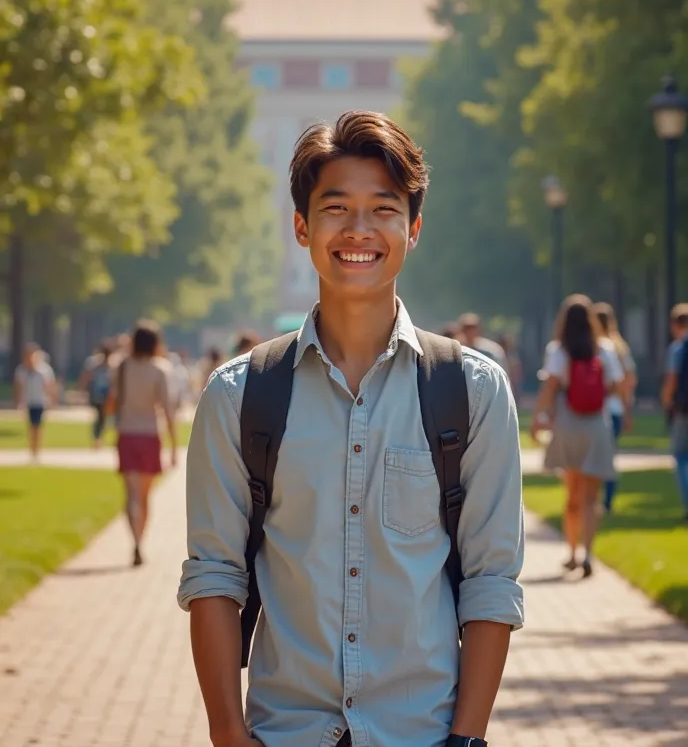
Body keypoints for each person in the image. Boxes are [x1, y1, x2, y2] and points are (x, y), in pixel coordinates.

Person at [179, 110, 524, 747]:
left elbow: (491, 581)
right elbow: (214, 575)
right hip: (286, 732)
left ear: (413, 228)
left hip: (423, 732)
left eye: (384, 209)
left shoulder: (472, 391)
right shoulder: (239, 395)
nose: (359, 230)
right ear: (302, 227)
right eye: (335, 208)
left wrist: (467, 739)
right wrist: (227, 733)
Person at [532, 295, 623, 577]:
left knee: (572, 493)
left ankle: (571, 552)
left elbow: (550, 386)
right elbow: (617, 385)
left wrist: (538, 417)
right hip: (596, 424)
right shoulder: (604, 349)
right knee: (591, 497)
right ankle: (588, 555)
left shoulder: (559, 350)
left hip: (568, 422)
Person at [105, 319, 177, 567]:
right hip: (149, 435)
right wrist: (175, 446)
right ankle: (140, 541)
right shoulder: (160, 369)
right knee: (145, 497)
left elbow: (112, 401)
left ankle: (133, 540)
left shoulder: (121, 366)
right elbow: (167, 410)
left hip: (126, 433)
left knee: (130, 494)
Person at [594, 303, 637, 513]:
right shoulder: (620, 347)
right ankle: (607, 501)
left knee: (593, 458)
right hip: (616, 408)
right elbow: (628, 381)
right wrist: (628, 411)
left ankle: (594, 500)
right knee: (609, 457)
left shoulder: (595, 346)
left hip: (596, 408)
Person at [660, 304, 688, 521]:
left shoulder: (678, 349)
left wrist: (667, 401)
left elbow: (672, 379)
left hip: (683, 410)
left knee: (681, 455)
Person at [13, 343, 57, 460]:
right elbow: (18, 387)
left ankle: (36, 450)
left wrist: (52, 400)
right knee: (31, 426)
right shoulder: (21, 370)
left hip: (40, 401)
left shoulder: (44, 370)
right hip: (28, 401)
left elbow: (50, 386)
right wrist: (18, 401)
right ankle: (32, 449)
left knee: (38, 426)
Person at [79, 339, 115, 449]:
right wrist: (84, 389)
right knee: (100, 416)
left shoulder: (112, 364)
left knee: (103, 417)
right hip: (98, 393)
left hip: (107, 393)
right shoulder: (95, 363)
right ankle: (97, 438)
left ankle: (99, 438)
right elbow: (87, 377)